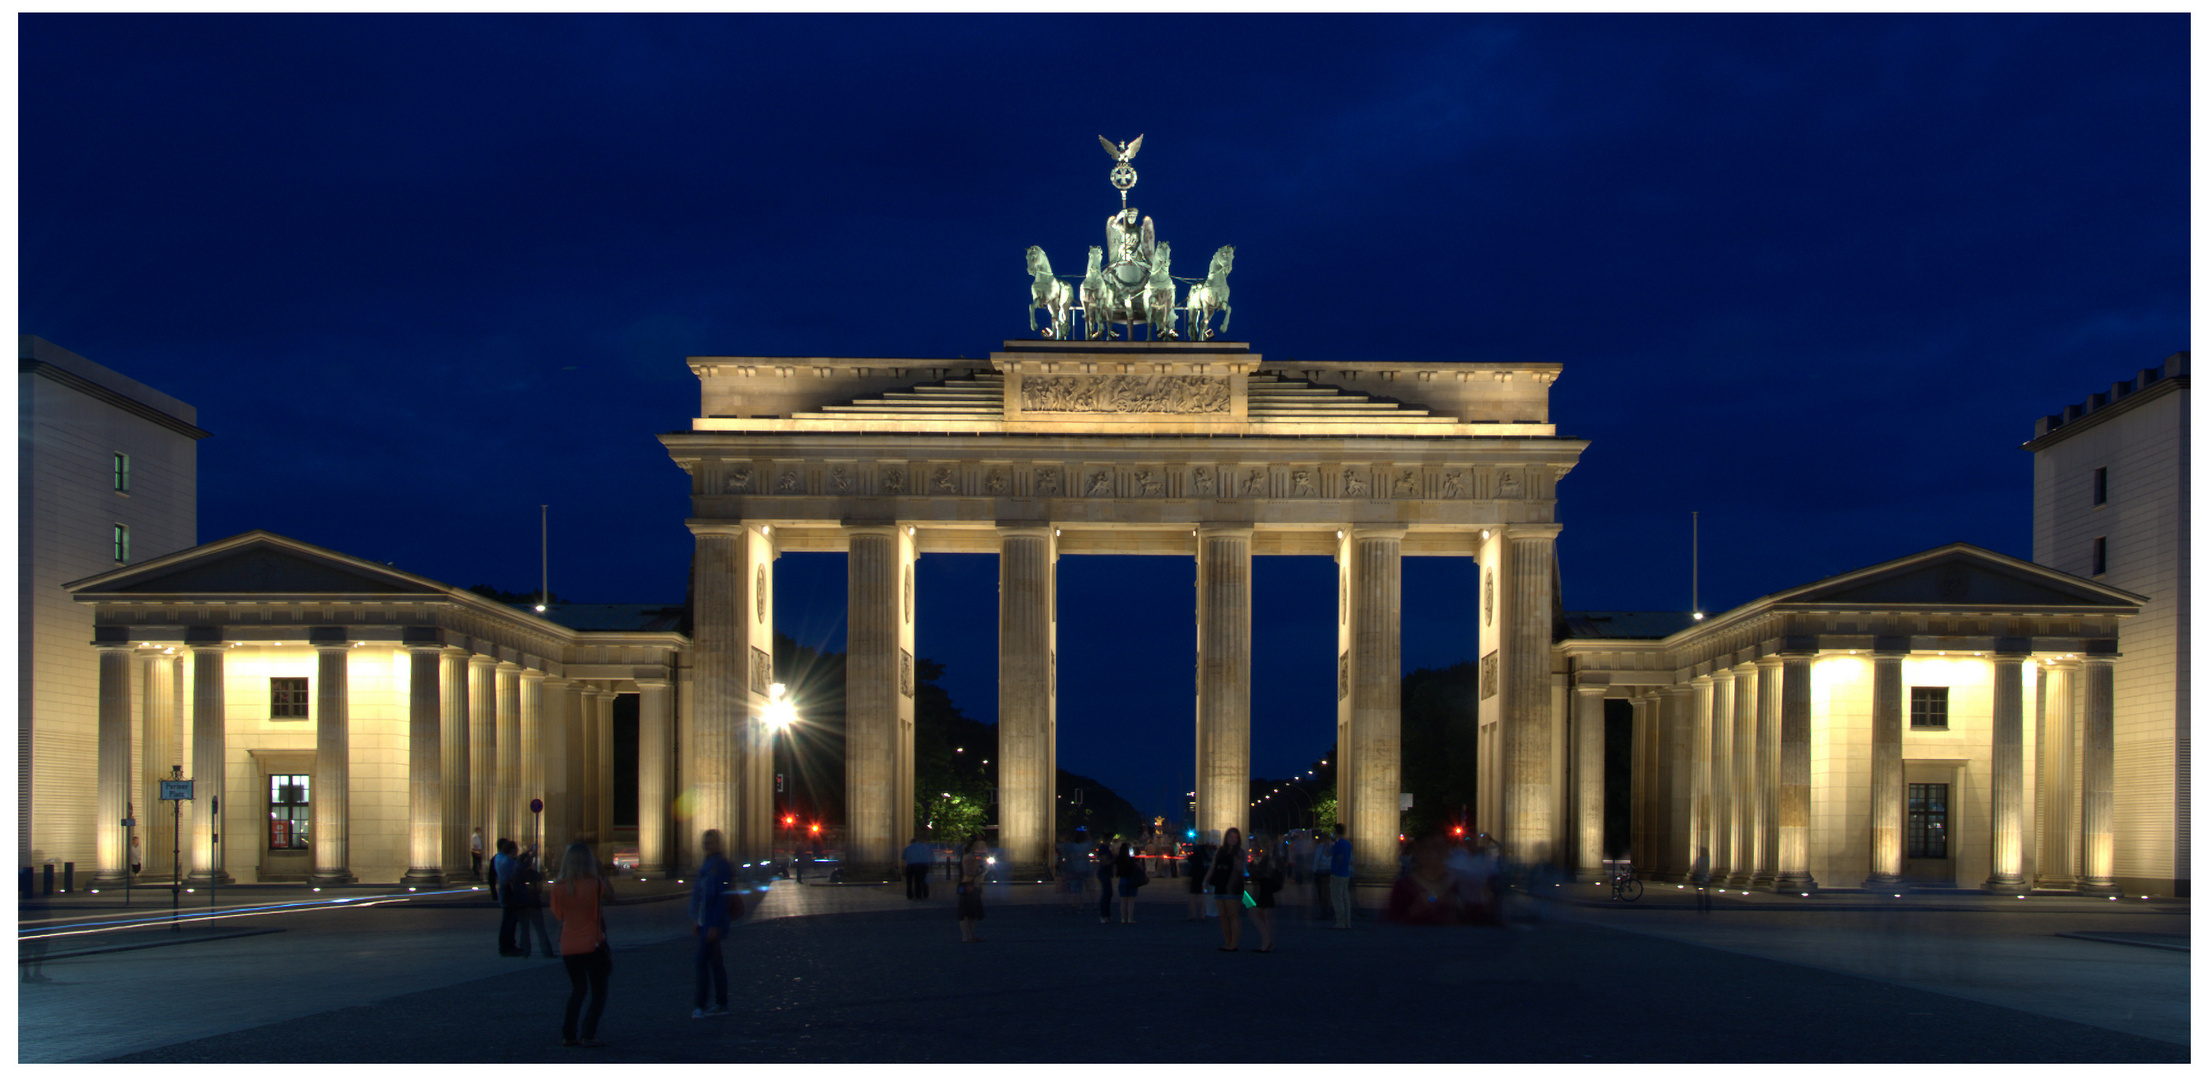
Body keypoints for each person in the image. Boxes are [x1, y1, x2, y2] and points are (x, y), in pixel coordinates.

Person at [548, 841, 613, 1047]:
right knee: (599, 991)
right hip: (592, 944)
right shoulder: (594, 884)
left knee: (578, 990)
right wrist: (603, 875)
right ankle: (588, 1033)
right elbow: (611, 898)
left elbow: (559, 915)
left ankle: (569, 1034)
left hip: (568, 945)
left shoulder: (558, 887)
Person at [688, 829, 734, 1018]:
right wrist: (697, 921)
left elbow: (722, 898)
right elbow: (700, 896)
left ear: (718, 844)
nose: (706, 845)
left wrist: (714, 924)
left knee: (700, 962)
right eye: (705, 842)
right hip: (705, 922)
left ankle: (700, 1005)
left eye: (710, 842)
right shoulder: (707, 864)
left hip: (713, 923)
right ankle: (721, 1004)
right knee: (716, 964)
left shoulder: (721, 865)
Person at [1388, 836, 1468, 925]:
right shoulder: (1403, 886)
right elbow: (1392, 923)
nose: (1434, 854)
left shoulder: (1457, 883)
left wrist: (1458, 906)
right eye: (1428, 849)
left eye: (1439, 848)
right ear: (1420, 854)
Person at [1207, 826, 1247, 951]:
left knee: (1233, 915)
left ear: (1238, 839)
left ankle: (1234, 944)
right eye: (1230, 836)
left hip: (1233, 887)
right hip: (1220, 885)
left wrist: (1231, 885)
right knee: (1223, 916)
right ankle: (1227, 942)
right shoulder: (1220, 851)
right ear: (1226, 838)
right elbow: (1213, 866)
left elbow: (1238, 870)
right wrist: (1205, 880)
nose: (1232, 839)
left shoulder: (1239, 852)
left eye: (1235, 837)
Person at [515, 845, 557, 958]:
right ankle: (547, 952)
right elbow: (539, 889)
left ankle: (525, 952)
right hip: (533, 904)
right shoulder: (535, 875)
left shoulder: (516, 874)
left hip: (521, 904)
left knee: (524, 930)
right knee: (540, 929)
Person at [1247, 832, 1282, 951]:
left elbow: (1262, 874)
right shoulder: (1272, 856)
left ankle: (1266, 942)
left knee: (1254, 913)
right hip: (1266, 889)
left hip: (1265, 889)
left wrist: (1251, 868)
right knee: (1263, 915)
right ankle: (1267, 941)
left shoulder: (1268, 858)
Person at [494, 838, 525, 955]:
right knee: (509, 922)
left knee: (507, 921)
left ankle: (507, 946)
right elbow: (511, 877)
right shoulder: (508, 861)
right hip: (509, 894)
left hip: (505, 893)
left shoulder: (499, 858)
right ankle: (508, 946)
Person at [957, 839, 988, 943]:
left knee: (969, 913)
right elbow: (968, 872)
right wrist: (980, 871)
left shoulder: (970, 857)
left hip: (969, 884)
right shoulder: (969, 857)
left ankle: (970, 936)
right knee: (966, 912)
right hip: (969, 885)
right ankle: (966, 936)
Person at [1329, 823, 1354, 929]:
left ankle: (1340, 922)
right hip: (1346, 873)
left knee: (1337, 899)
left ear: (1336, 832)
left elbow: (1339, 858)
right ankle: (1347, 922)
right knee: (1345, 899)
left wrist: (1335, 869)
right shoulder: (1348, 844)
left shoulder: (1338, 844)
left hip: (1337, 874)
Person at [1185, 834, 1214, 921]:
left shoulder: (1197, 849)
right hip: (1203, 874)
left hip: (1195, 874)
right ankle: (1202, 914)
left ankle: (1192, 915)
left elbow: (1190, 859)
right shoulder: (1208, 851)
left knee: (1192, 895)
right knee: (1202, 895)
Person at [1114, 840, 1144, 923]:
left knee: (1123, 900)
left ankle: (1123, 918)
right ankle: (1130, 918)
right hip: (1131, 879)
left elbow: (1115, 869)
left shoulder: (1118, 859)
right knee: (1131, 901)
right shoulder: (1132, 859)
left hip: (1122, 879)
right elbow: (1140, 867)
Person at [1311, 833, 1334, 923]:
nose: (1324, 840)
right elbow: (1316, 858)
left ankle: (1328, 911)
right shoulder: (1320, 847)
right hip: (1319, 872)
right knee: (1321, 894)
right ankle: (1324, 912)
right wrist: (1314, 869)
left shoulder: (1332, 847)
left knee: (1326, 894)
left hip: (1328, 872)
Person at [1093, 836, 1116, 923]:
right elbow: (1104, 862)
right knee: (1107, 894)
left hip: (1105, 873)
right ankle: (1104, 914)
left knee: (1108, 893)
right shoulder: (1104, 849)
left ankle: (1106, 914)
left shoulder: (1105, 848)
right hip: (1104, 873)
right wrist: (1113, 860)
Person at [902, 837, 932, 901]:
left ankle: (909, 895)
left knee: (909, 882)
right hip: (921, 865)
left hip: (910, 866)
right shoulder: (923, 848)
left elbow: (903, 857)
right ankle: (919, 894)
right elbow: (926, 857)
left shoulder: (907, 848)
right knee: (919, 881)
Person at [1693, 845, 1713, 914]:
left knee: (1700, 894)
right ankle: (1708, 908)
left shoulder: (1699, 859)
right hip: (1706, 877)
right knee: (1707, 893)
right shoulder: (1709, 859)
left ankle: (1701, 907)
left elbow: (1696, 868)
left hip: (1700, 877)